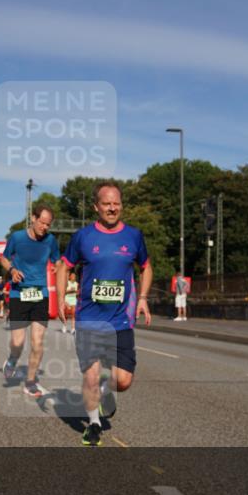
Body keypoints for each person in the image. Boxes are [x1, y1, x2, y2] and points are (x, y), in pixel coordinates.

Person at [57, 182, 152, 446]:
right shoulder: (83, 237)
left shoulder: (133, 236)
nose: (112, 208)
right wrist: (62, 299)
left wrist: (142, 299)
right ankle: (94, 425)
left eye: (116, 203)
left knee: (123, 381)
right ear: (96, 207)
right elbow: (63, 267)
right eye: (107, 203)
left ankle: (105, 390)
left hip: (121, 321)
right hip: (89, 319)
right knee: (90, 375)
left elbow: (146, 267)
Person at [0, 204, 59, 398]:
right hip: (19, 294)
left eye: (48, 224)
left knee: (37, 342)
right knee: (18, 342)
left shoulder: (51, 240)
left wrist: (58, 267)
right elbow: (4, 258)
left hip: (40, 294)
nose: (45, 227)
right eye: (42, 223)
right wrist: (12, 270)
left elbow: (57, 260)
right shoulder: (17, 237)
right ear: (33, 218)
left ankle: (31, 381)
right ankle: (11, 361)